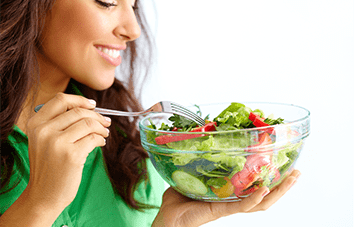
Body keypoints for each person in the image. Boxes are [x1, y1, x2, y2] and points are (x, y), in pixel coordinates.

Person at [0, 0, 301, 226]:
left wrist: (171, 223)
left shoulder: (130, 153)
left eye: (133, 5)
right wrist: (40, 204)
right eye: (107, 1)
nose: (132, 30)